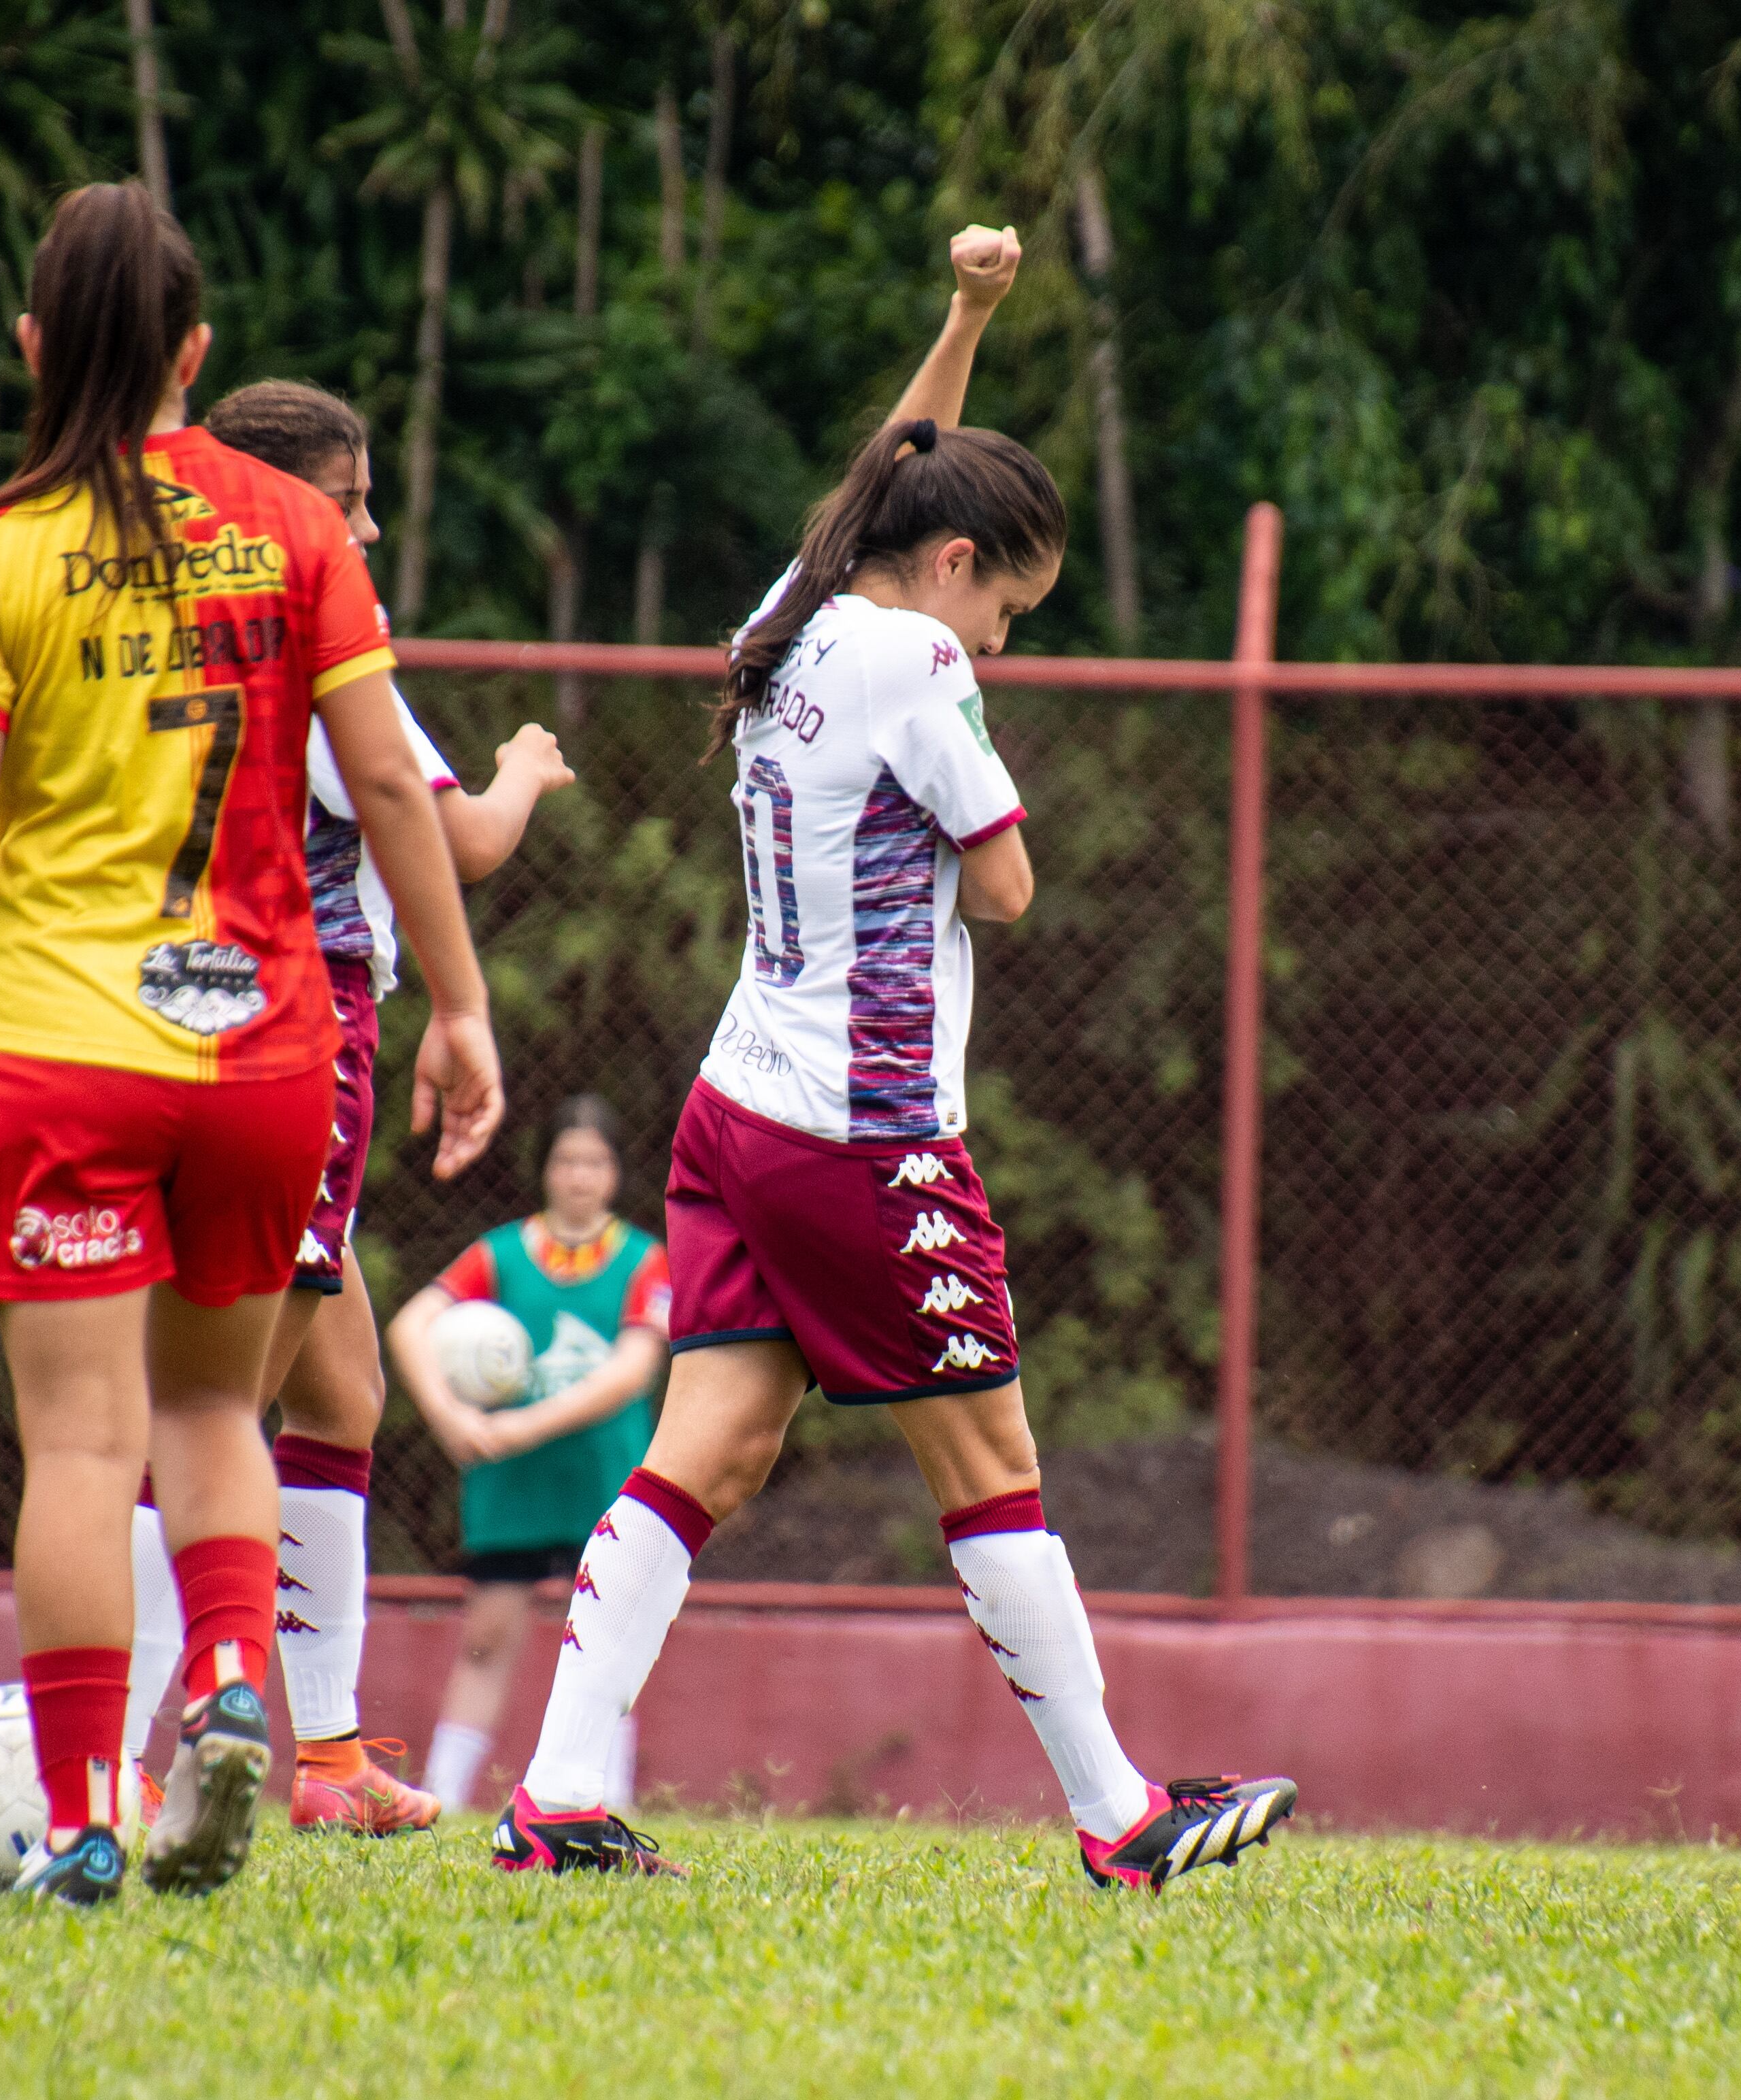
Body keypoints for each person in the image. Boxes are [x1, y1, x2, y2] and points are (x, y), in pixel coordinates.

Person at [484, 226, 1300, 1888]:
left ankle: (556, 1795)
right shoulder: (917, 659)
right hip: (866, 1137)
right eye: (1009, 604)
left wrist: (965, 322)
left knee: (705, 1447)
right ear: (950, 573)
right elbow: (1002, 883)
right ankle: (1122, 1819)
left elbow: (877, 481)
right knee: (990, 1461)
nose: (1002, 641)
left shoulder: (785, 621)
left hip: (735, 1112)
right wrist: (956, 788)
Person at [0, 180, 503, 1905]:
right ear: (198, 354)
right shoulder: (295, 528)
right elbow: (381, 782)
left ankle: (77, 1824)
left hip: (66, 1043)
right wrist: (461, 1006)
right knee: (220, 1410)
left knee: (81, 1446)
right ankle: (226, 1680)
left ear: (33, 347)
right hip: (268, 1046)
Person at [117, 378, 576, 1835]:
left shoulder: (156, 612)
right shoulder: (305, 628)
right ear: (280, 503)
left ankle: (320, 1758)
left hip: (167, 1004)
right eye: (349, 497)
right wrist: (518, 771)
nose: (368, 525)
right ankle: (132, 1752)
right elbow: (445, 829)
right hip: (296, 1023)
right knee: (214, 1399)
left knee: (339, 1390)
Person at [382, 1096, 671, 1812]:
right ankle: (445, 1793)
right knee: (487, 1634)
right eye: (566, 1160)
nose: (580, 1176)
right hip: (513, 1487)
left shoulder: (645, 1260)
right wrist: (451, 1417)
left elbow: (633, 1370)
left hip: (605, 1480)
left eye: (595, 1162)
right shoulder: (501, 1255)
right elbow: (411, 1324)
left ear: (616, 1174)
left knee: (608, 1639)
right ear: (545, 1170)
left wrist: (523, 1425)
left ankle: (610, 1796)